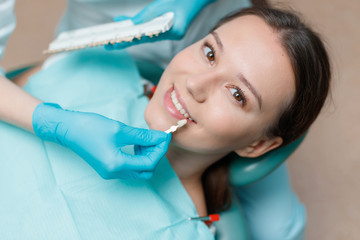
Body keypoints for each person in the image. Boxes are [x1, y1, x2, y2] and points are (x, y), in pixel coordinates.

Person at [0, 6, 330, 239]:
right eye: (210, 53)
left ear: (256, 144)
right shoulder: (95, 66)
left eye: (237, 94)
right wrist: (49, 121)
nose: (195, 84)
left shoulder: (185, 229)